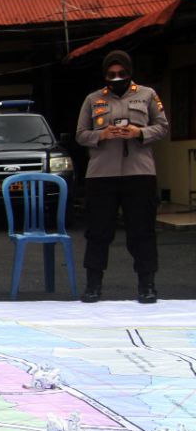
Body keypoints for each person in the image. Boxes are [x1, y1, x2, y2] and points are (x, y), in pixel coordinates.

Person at [75, 50, 170, 304]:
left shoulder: (147, 95)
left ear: (130, 73)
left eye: (121, 74)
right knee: (97, 232)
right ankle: (93, 286)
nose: (116, 78)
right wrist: (102, 135)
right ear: (105, 75)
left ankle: (147, 286)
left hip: (139, 173)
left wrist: (138, 133)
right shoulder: (93, 99)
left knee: (142, 232)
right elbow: (81, 134)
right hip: (101, 175)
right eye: (111, 74)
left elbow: (162, 127)